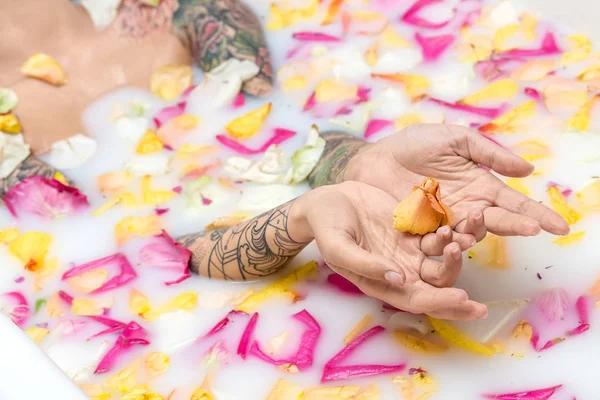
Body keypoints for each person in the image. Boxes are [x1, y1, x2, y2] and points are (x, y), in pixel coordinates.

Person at [0, 0, 568, 320]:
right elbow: (158, 251)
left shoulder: (180, 13)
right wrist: (303, 216)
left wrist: (356, 164)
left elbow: (282, 138)